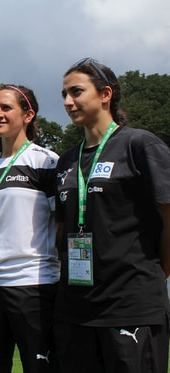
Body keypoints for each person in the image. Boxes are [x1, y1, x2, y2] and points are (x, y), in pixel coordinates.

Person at [54, 57, 170, 373]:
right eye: (64, 94)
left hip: (130, 306)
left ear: (105, 94)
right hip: (75, 309)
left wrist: (155, 274)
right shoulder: (66, 161)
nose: (67, 101)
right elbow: (62, 229)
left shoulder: (139, 144)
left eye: (76, 91)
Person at [0, 85, 60, 373]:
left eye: (6, 108)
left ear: (28, 115)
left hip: (33, 284)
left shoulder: (46, 161)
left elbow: (61, 222)